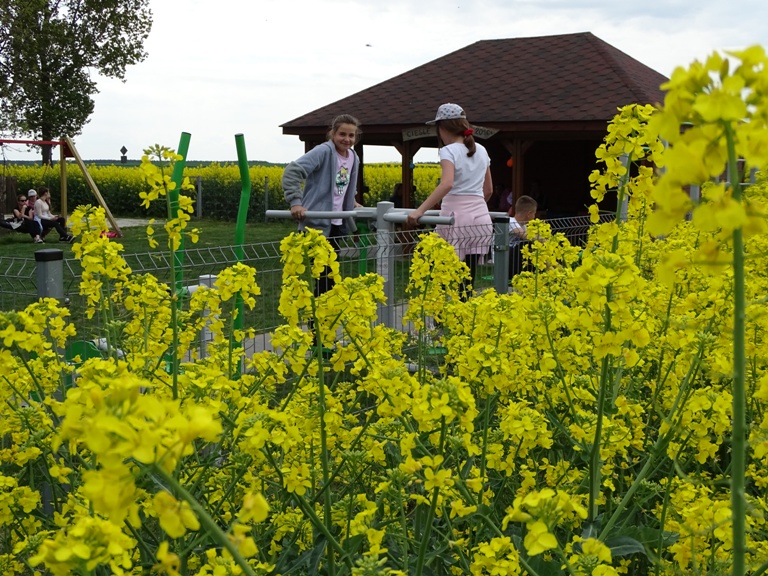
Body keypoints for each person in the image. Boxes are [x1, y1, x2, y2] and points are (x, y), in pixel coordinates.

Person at [406, 103, 493, 298]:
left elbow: (446, 184)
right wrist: (474, 207)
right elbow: (488, 190)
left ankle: (440, 322)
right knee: (467, 277)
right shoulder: (482, 149)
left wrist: (419, 211)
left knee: (443, 275)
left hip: (454, 218)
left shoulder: (448, 151)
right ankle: (464, 321)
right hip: (481, 217)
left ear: (442, 128)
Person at [282, 114, 363, 300]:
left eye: (351, 136)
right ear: (332, 133)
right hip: (316, 224)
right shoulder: (324, 152)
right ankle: (317, 324)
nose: (347, 139)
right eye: (342, 134)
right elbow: (292, 172)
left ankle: (324, 322)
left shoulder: (353, 157)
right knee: (324, 277)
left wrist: (351, 202)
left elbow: (341, 186)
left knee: (331, 276)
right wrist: (296, 202)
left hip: (336, 223)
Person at [508, 195, 538, 279]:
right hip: (503, 261)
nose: (534, 217)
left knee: (534, 247)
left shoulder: (523, 226)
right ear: (529, 214)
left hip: (514, 260)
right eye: (534, 214)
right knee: (529, 245)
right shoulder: (510, 222)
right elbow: (527, 236)